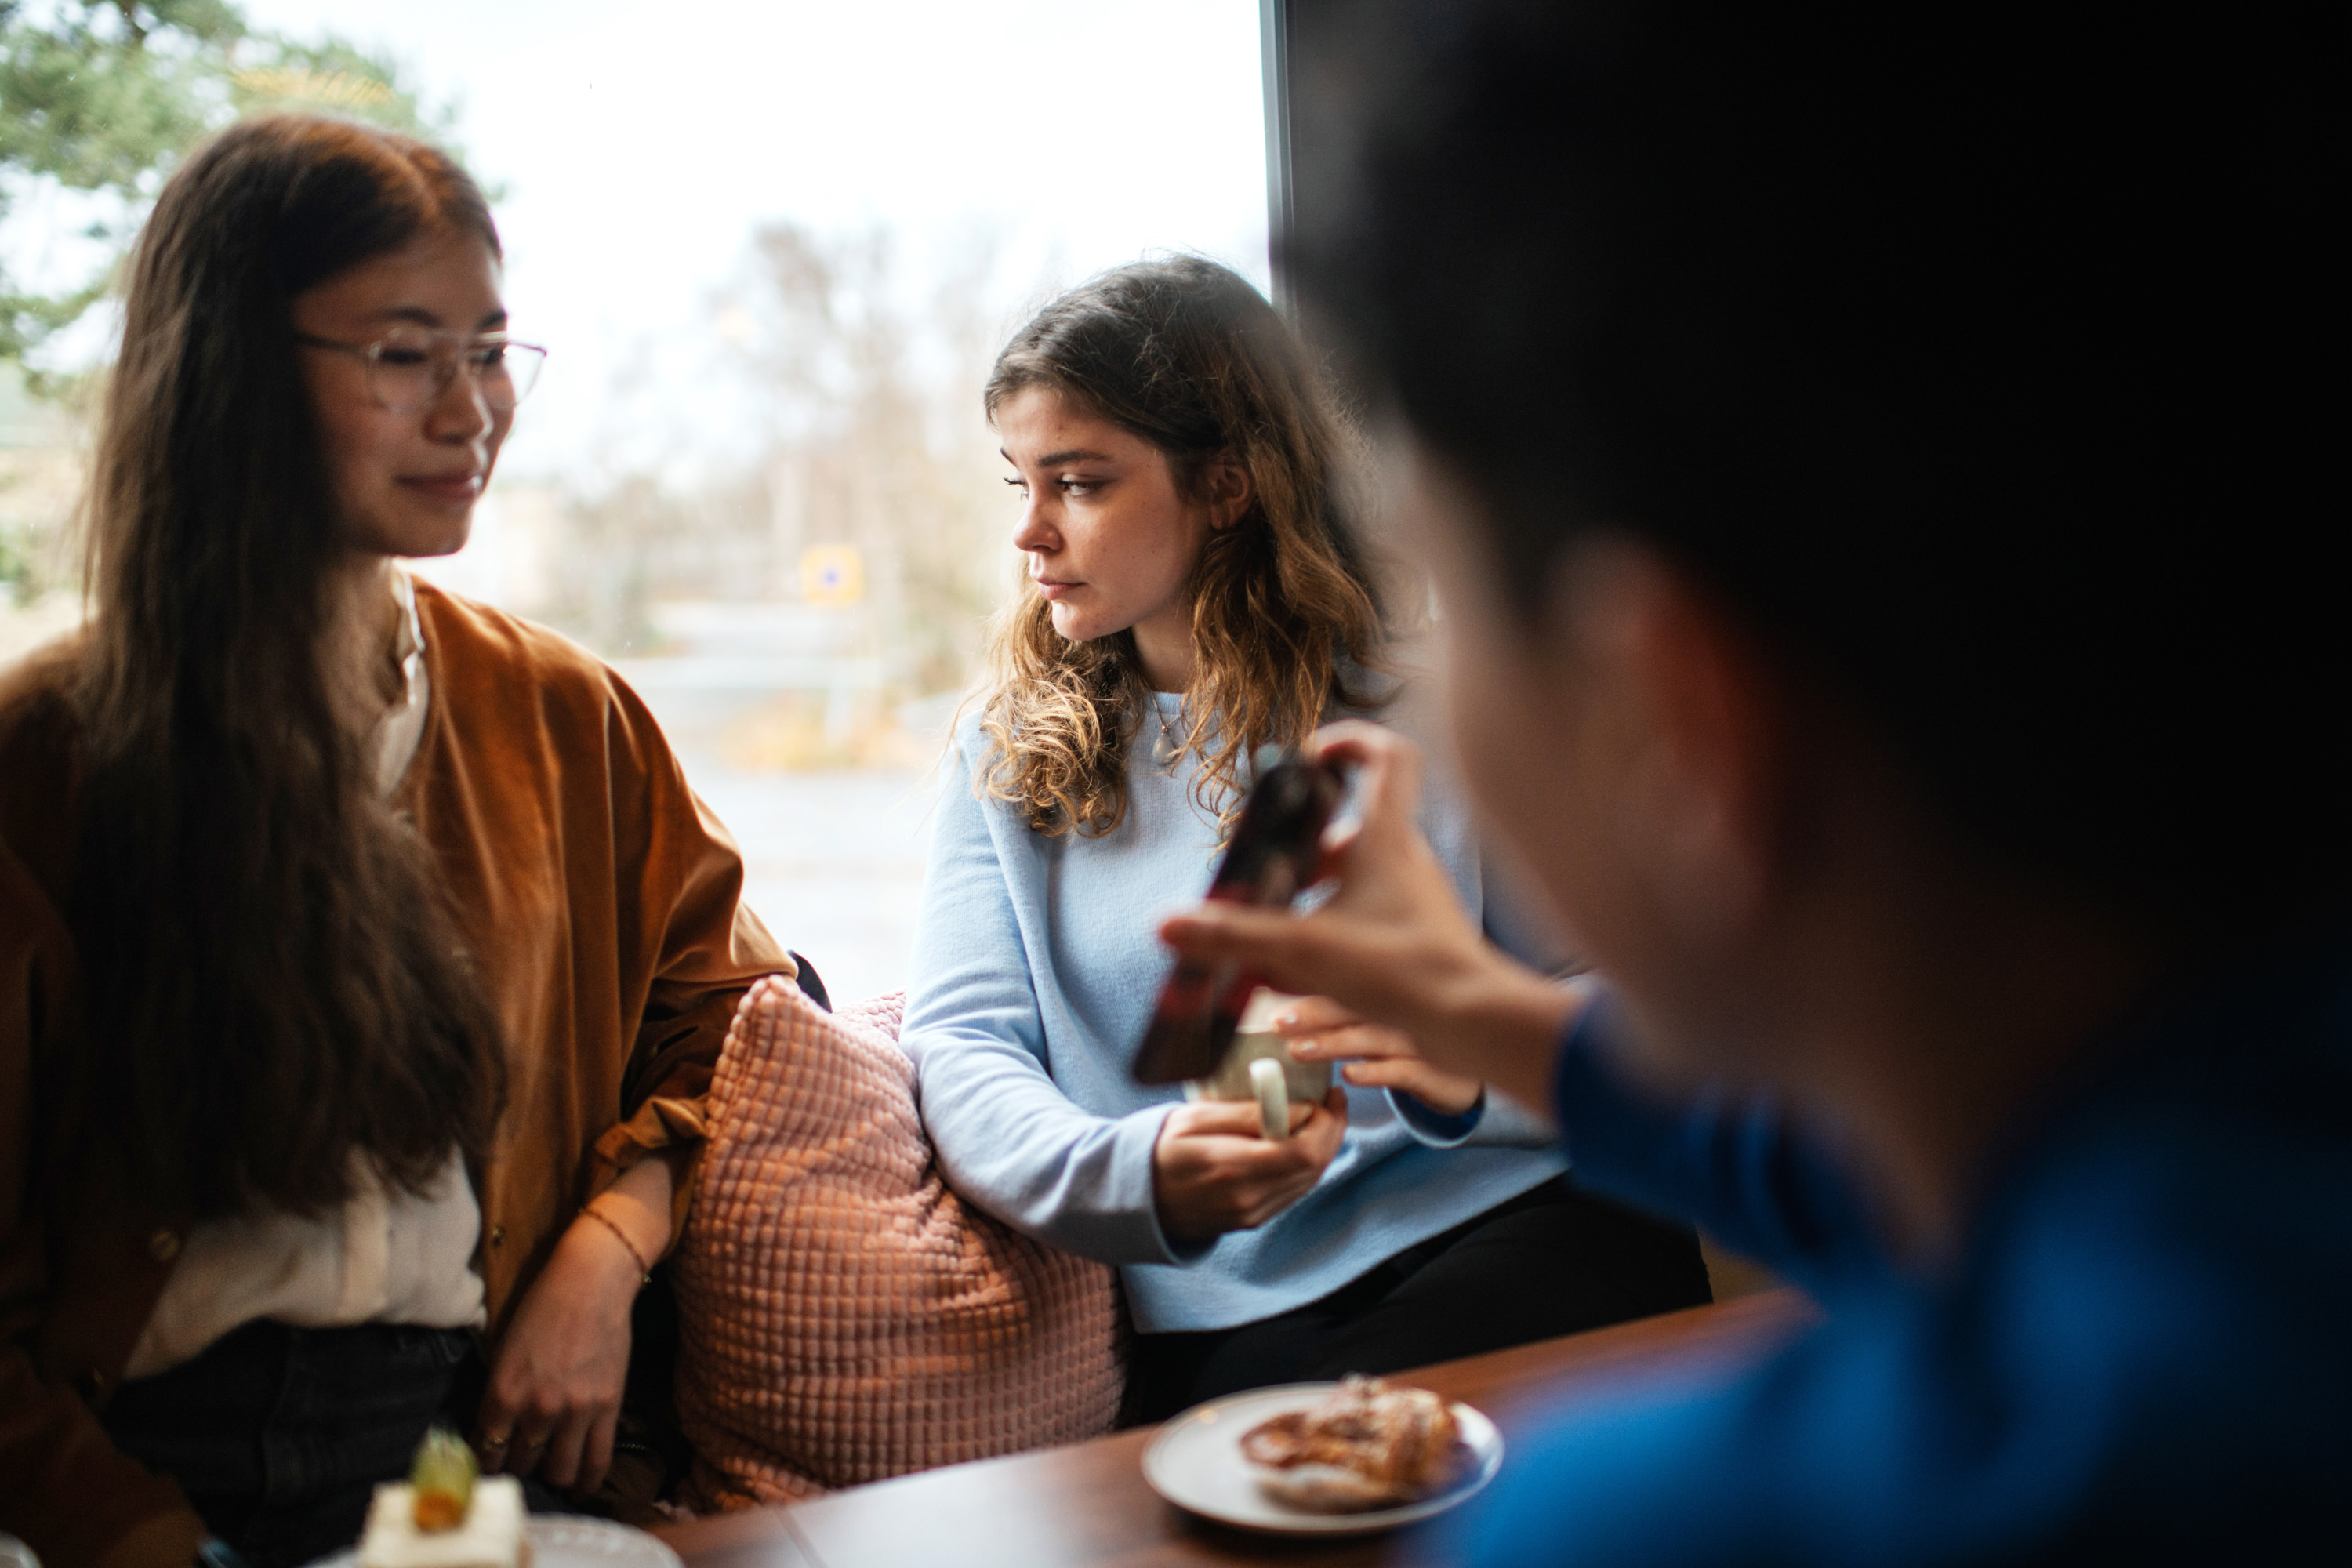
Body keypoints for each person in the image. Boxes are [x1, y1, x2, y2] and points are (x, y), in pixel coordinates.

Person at [1156, 2, 2347, 1560]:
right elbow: (1930, 1174)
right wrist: (1483, 1007)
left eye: (1447, 608)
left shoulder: (1644, 1530)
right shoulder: (2235, 1175)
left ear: (1682, 723)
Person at [0, 116, 793, 1566]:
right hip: (135, 1474)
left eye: (490, 351)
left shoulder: (565, 716)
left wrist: (603, 1256)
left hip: (461, 1446)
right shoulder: (44, 758)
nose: (471, 411)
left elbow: (740, 1024)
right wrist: (128, 1537)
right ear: (229, 372)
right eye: (404, 353)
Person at [897, 256, 1710, 1425]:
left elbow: (1638, 1007)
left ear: (1226, 485)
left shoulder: (1428, 705)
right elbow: (964, 1052)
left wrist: (1477, 1058)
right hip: (1232, 1306)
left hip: (1518, 1223)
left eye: (1077, 484)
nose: (1029, 533)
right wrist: (1143, 1177)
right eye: (1017, 483)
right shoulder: (1003, 756)